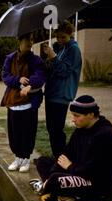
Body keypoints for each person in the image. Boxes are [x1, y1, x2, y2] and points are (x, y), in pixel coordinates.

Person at [29, 95, 112, 201]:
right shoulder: (81, 129)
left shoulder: (105, 135)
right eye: (73, 115)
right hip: (76, 172)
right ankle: (51, 188)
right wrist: (56, 171)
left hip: (95, 182)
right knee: (42, 162)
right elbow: (66, 154)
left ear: (91, 114)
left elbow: (94, 170)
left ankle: (50, 188)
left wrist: (69, 167)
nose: (73, 119)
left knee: (55, 180)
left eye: (77, 116)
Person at [1, 33, 46, 173]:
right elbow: (5, 76)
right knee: (14, 133)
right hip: (13, 101)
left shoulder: (36, 60)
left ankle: (26, 158)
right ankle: (18, 157)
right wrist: (18, 80)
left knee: (27, 132)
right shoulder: (10, 58)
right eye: (27, 40)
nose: (30, 43)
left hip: (28, 103)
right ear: (19, 41)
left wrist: (30, 84)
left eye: (32, 40)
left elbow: (40, 76)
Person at [42, 21, 82, 158]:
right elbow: (51, 70)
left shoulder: (73, 50)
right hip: (51, 93)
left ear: (70, 34)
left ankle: (61, 158)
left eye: (63, 37)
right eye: (57, 37)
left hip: (61, 95)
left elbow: (65, 71)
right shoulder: (61, 48)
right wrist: (49, 58)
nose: (60, 40)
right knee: (51, 129)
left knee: (57, 129)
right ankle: (57, 157)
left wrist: (53, 57)